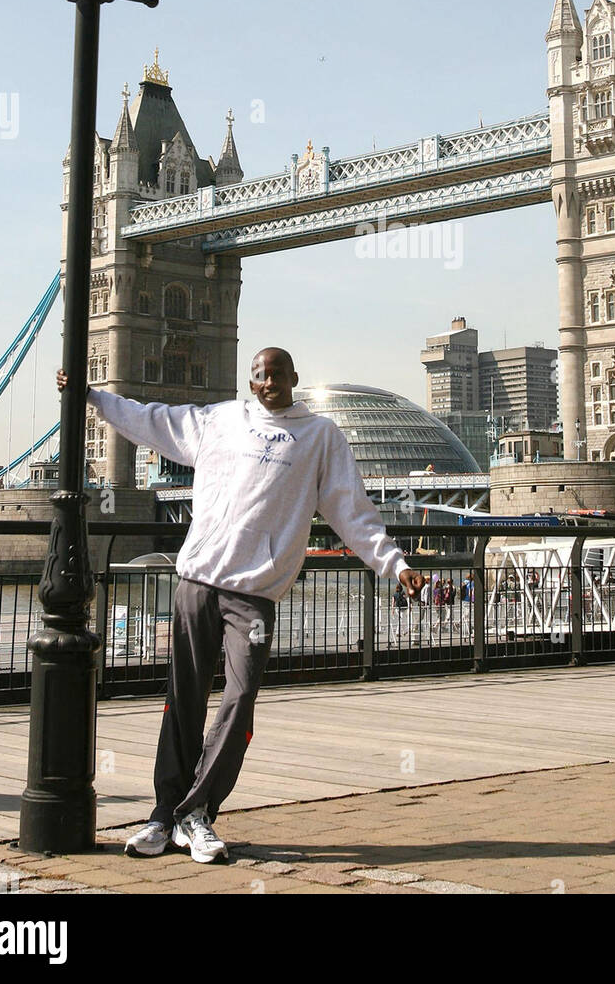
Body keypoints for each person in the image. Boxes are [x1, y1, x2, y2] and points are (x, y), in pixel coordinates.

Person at [57, 347, 424, 864]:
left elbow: (352, 512)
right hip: (197, 582)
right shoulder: (218, 421)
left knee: (240, 697)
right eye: (259, 374)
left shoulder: (321, 437)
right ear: (250, 382)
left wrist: (395, 564)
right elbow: (149, 420)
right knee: (182, 700)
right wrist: (90, 397)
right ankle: (165, 816)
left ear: (294, 377)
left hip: (253, 595)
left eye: (277, 372)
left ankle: (197, 812)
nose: (268, 380)